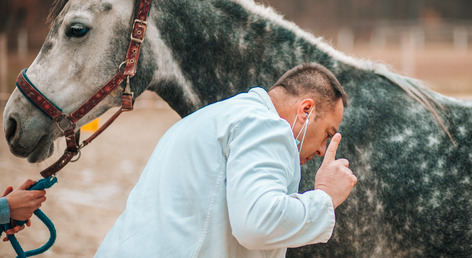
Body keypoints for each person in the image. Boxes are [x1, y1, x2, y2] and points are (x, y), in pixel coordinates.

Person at [96, 63, 357, 257]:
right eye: (327, 134)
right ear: (306, 110)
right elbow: (258, 223)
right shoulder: (265, 126)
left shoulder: (207, 118)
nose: (323, 149)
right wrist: (324, 197)